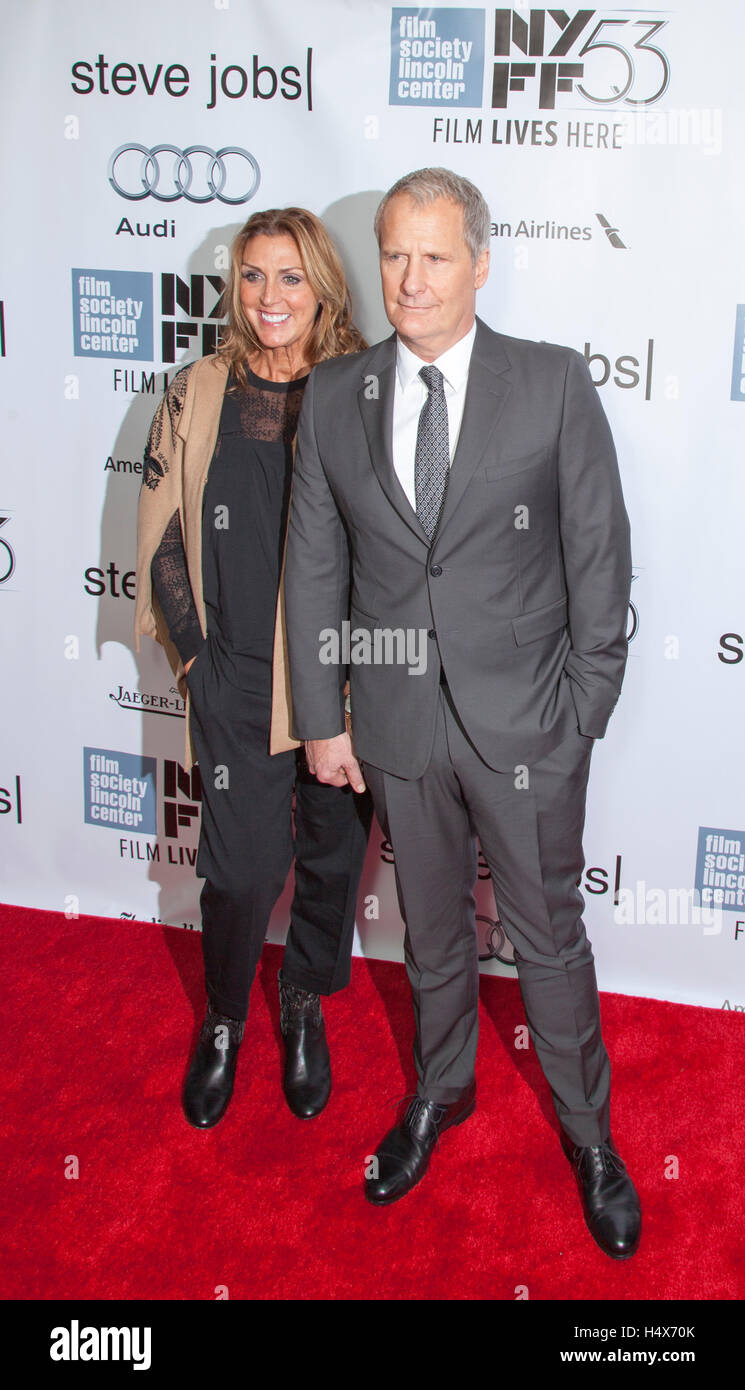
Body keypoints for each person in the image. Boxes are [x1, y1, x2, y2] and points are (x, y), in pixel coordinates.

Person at [284, 168, 641, 1259]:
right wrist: (323, 719)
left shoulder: (549, 384)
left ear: (481, 264)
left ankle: (589, 1135)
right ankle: (442, 1093)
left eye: (436, 256)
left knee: (548, 942)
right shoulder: (338, 396)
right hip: (395, 727)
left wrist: (579, 713)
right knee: (429, 935)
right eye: (395, 254)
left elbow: (599, 558)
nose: (411, 279)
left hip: (528, 725)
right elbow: (315, 562)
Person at [135, 207, 373, 1130]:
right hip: (232, 668)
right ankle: (227, 1016)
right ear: (234, 286)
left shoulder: (360, 390)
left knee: (333, 853)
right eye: (252, 276)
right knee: (237, 870)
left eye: (290, 277)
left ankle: (303, 995)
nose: (270, 297)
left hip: (340, 675)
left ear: (321, 285)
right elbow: (160, 532)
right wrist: (195, 655)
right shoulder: (198, 389)